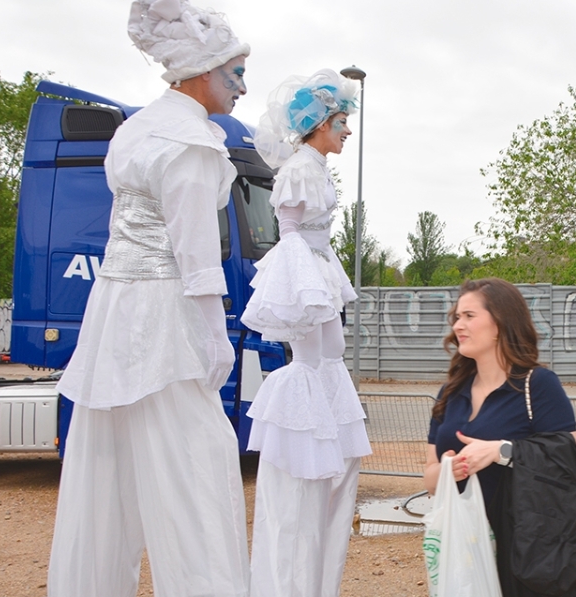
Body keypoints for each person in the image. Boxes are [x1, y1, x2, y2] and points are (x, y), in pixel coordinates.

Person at [49, 2, 251, 595]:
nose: (242, 86)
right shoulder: (190, 142)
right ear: (200, 72)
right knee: (194, 468)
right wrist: (216, 334)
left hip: (113, 312)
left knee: (108, 470)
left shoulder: (135, 129)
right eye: (235, 72)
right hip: (164, 314)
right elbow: (195, 253)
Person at [241, 69, 371, 597]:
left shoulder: (315, 166)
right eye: (341, 122)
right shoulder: (300, 169)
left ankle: (325, 432)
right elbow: (290, 231)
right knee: (311, 357)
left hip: (317, 264)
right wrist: (304, 283)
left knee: (329, 356)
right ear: (318, 123)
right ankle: (306, 435)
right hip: (305, 267)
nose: (347, 131)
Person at [424, 278, 576, 596]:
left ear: (500, 322)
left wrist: (501, 451)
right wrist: (448, 470)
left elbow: (567, 458)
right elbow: (429, 474)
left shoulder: (537, 384)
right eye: (457, 317)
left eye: (470, 316)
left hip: (527, 548)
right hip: (465, 545)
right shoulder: (450, 393)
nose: (459, 325)